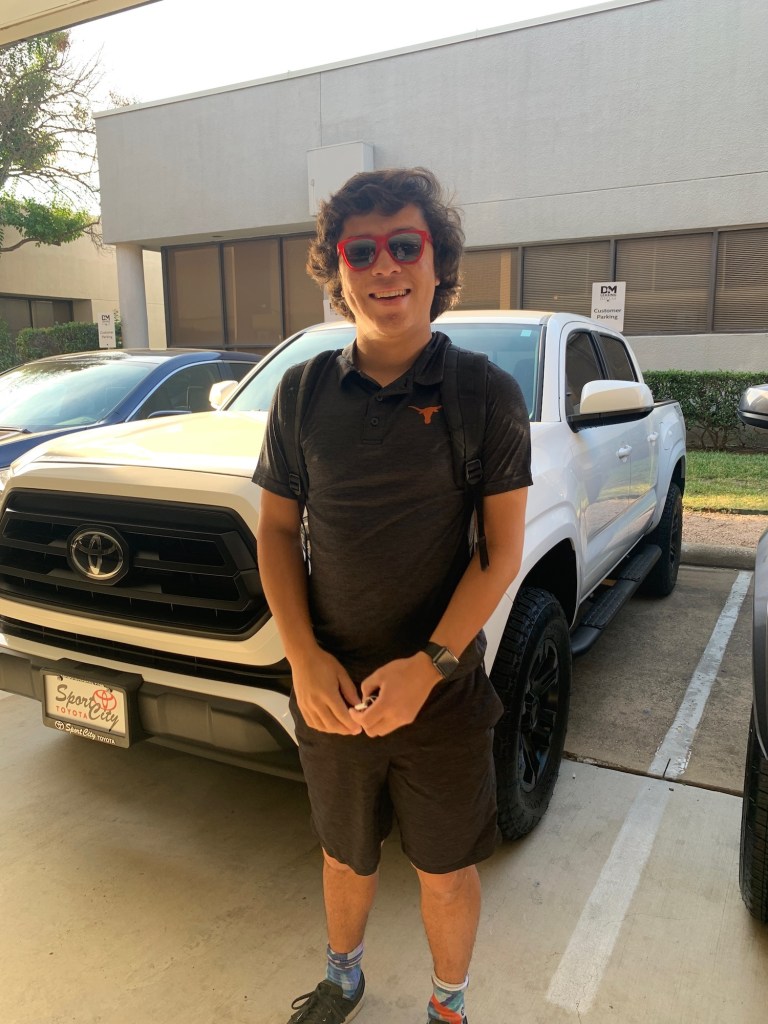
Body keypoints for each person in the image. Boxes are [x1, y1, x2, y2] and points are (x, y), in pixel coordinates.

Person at [254, 167, 531, 1024]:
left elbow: (501, 554)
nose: (385, 266)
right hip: (331, 692)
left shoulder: (484, 393)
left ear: (438, 263)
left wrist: (430, 665)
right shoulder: (302, 391)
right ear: (336, 270)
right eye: (361, 250)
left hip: (441, 697)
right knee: (345, 856)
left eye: (406, 245)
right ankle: (343, 979)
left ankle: (448, 1007)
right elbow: (275, 533)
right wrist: (303, 658)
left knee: (445, 871)